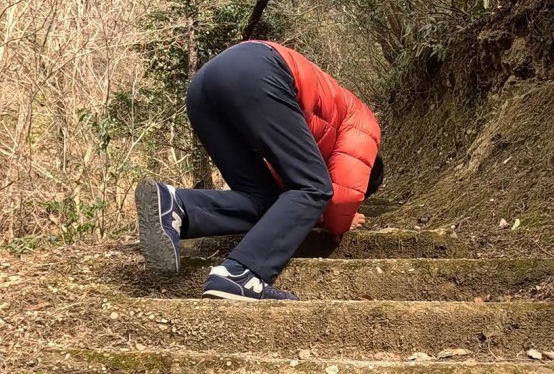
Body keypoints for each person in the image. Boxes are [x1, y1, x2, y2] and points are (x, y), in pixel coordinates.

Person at [135, 40, 383, 301]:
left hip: (204, 89)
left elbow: (287, 200)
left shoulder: (326, 135)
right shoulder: (364, 125)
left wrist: (315, 213)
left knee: (268, 200)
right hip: (258, 71)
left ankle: (178, 205)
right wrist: (340, 220)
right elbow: (341, 194)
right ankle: (241, 273)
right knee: (315, 187)